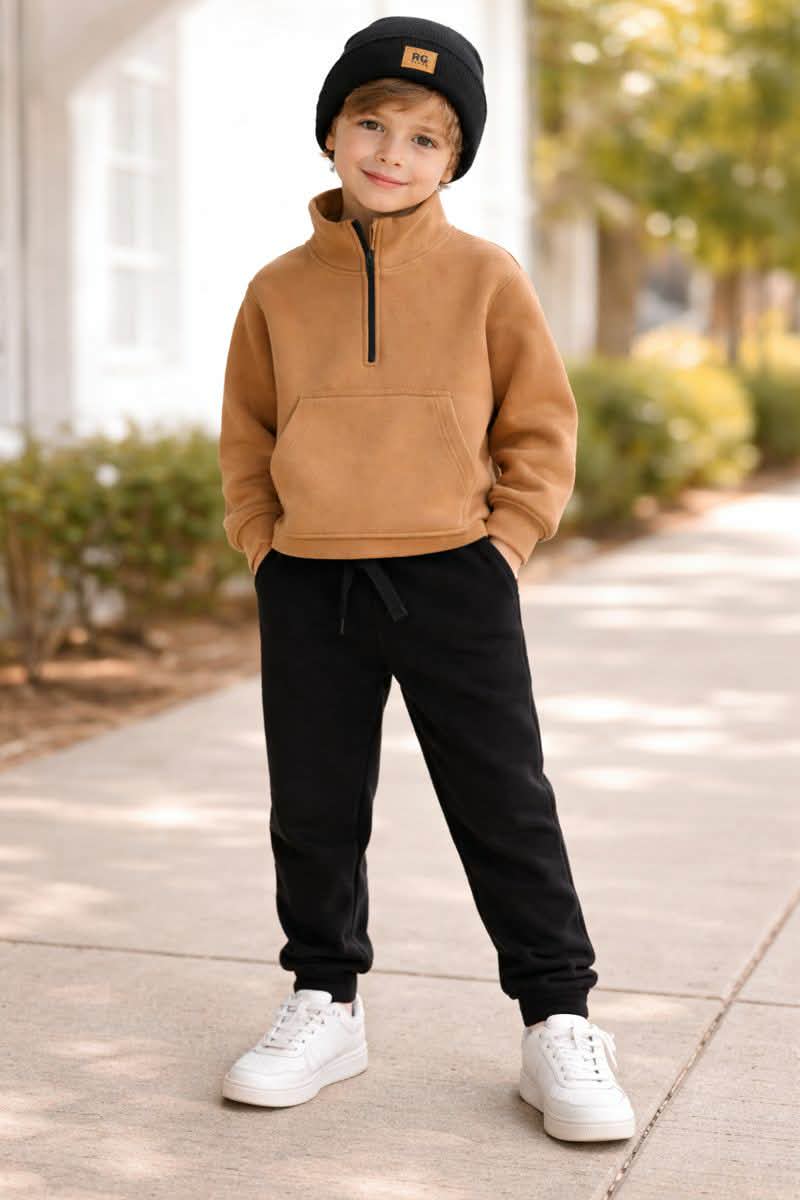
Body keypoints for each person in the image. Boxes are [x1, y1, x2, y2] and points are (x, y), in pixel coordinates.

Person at [217, 16, 635, 1142]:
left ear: (453, 160)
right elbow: (247, 434)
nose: (391, 152)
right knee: (312, 805)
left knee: (504, 802)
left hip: (454, 575)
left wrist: (504, 543)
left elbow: (539, 425)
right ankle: (324, 1001)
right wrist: (263, 543)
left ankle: (558, 1020)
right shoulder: (274, 290)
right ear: (332, 133)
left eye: (424, 137)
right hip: (310, 579)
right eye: (370, 123)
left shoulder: (486, 276)